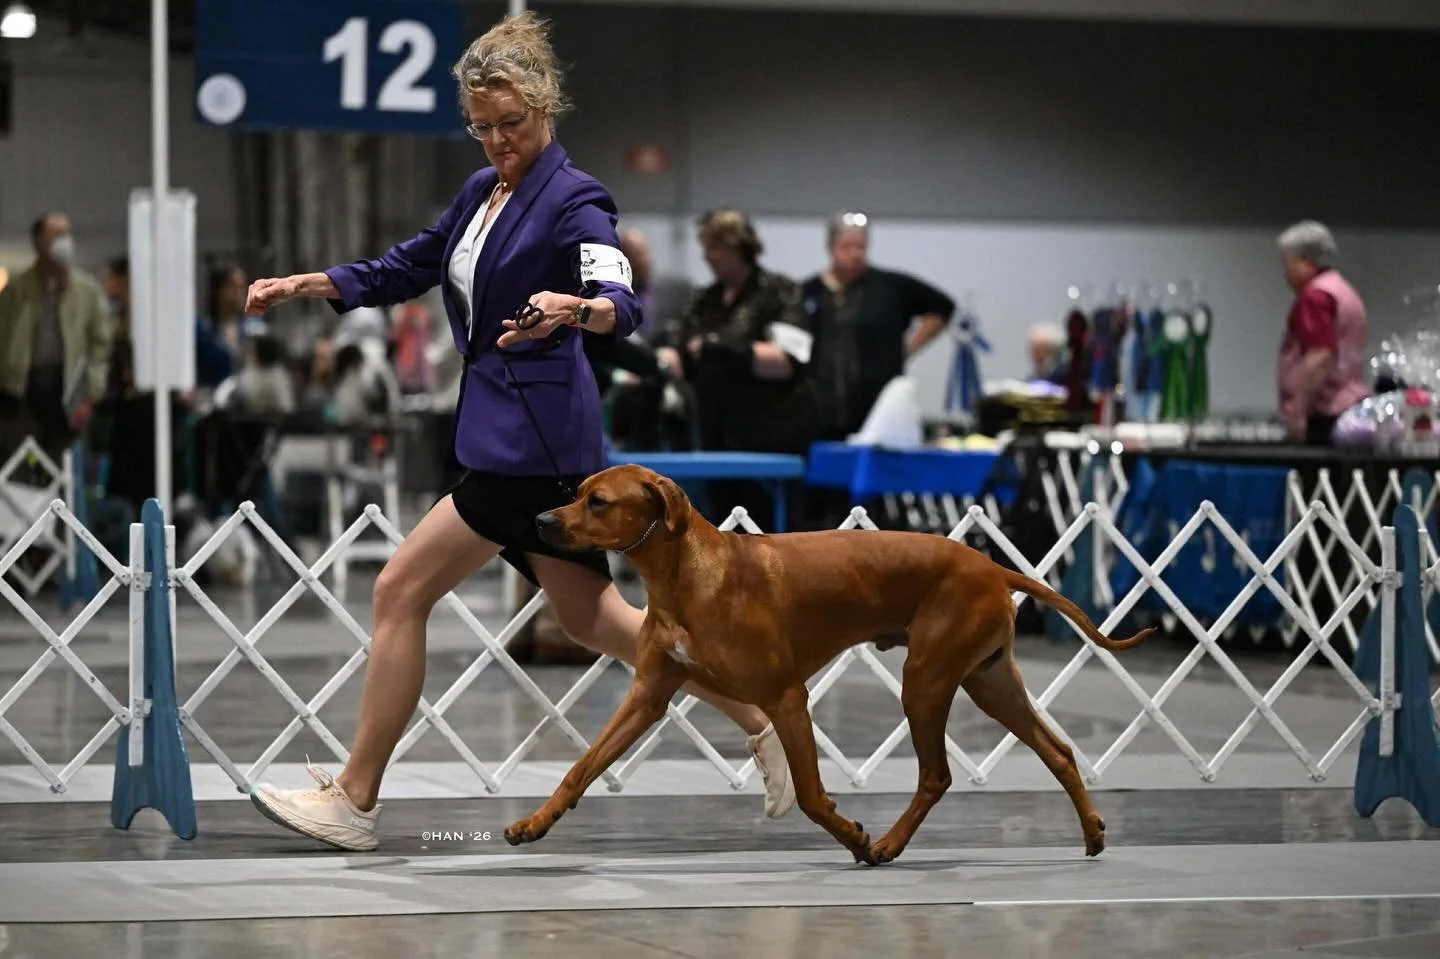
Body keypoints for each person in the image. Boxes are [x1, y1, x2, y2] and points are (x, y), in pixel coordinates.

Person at [240, 12, 794, 852]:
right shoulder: (481, 191)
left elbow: (625, 303)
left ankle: (355, 799)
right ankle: (762, 716)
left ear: (546, 109)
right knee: (593, 618)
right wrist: (311, 283)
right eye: (482, 126)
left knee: (399, 591)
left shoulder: (577, 199)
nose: (497, 141)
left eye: (512, 124)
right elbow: (413, 264)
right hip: (512, 436)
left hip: (530, 445)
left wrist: (577, 308)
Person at [800, 212, 955, 443]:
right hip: (821, 409)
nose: (854, 254)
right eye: (846, 247)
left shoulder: (890, 287)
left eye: (860, 247)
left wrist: (908, 348)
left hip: (877, 409)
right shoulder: (808, 291)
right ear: (830, 248)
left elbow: (942, 307)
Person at [0, 212, 113, 464]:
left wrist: (92, 392)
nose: (65, 241)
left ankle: (63, 502)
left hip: (67, 389)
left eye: (66, 234)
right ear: (39, 241)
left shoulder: (87, 290)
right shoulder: (16, 291)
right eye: (56, 235)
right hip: (22, 391)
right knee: (23, 465)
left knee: (63, 463)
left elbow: (101, 344)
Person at [1275, 220, 1369, 446]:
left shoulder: (1316, 298)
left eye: (1287, 263)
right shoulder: (1342, 290)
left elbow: (1320, 356)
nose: (1284, 274)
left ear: (1307, 262)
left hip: (1324, 416)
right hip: (1348, 408)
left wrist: (1298, 412)